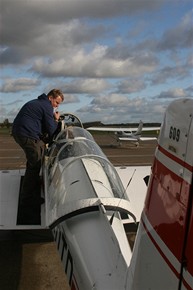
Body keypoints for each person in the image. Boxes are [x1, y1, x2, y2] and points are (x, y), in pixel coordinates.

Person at [12, 89, 64, 207]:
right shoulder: (46, 106)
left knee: (34, 159)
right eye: (57, 102)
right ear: (50, 98)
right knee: (35, 164)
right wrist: (55, 119)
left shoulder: (37, 102)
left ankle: (32, 184)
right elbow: (51, 130)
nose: (57, 106)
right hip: (27, 135)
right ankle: (27, 199)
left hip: (21, 133)